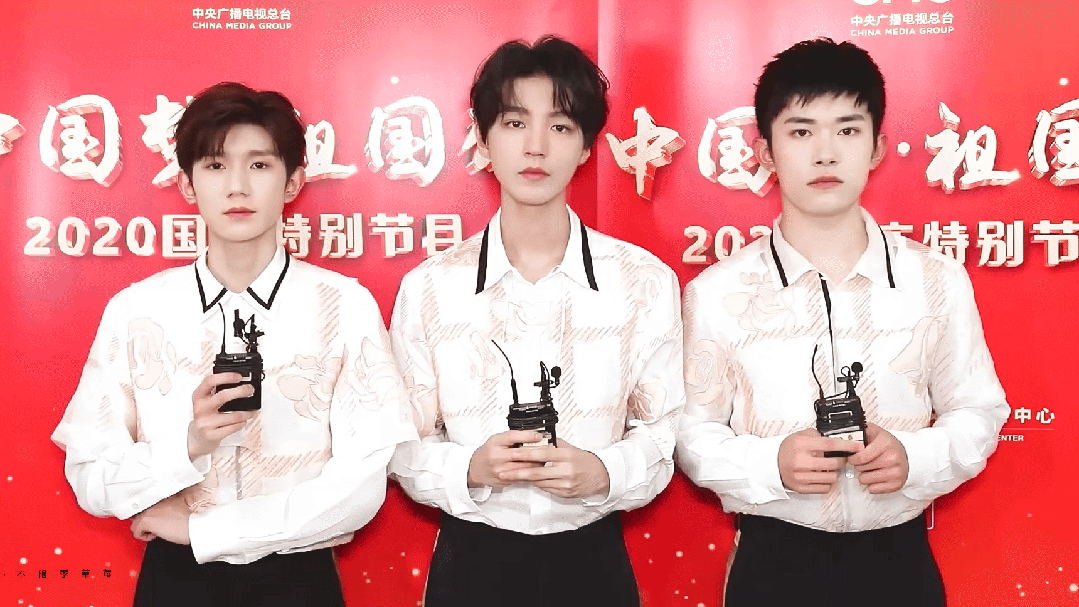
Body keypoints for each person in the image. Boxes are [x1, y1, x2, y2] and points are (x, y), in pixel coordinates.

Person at [51, 82, 416, 607]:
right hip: (175, 580)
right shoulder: (136, 311)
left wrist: (207, 531)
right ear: (187, 183)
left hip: (299, 577)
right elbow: (91, 478)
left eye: (259, 165)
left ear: (293, 181)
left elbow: (361, 488)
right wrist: (188, 444)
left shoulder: (343, 305)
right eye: (216, 166)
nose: (237, 187)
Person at [676, 38, 1009, 607]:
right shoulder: (716, 292)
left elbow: (979, 410)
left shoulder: (936, 279)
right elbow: (689, 434)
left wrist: (916, 458)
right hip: (773, 563)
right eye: (801, 132)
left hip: (899, 564)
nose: (826, 154)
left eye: (848, 130)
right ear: (765, 152)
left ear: (877, 148)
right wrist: (772, 464)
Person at [387, 36, 684, 607]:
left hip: (593, 560)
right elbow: (401, 442)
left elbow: (664, 434)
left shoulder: (644, 281)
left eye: (561, 126)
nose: (536, 146)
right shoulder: (430, 287)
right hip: (470, 561)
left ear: (588, 147)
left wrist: (604, 471)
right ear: (483, 138)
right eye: (515, 122)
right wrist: (470, 468)